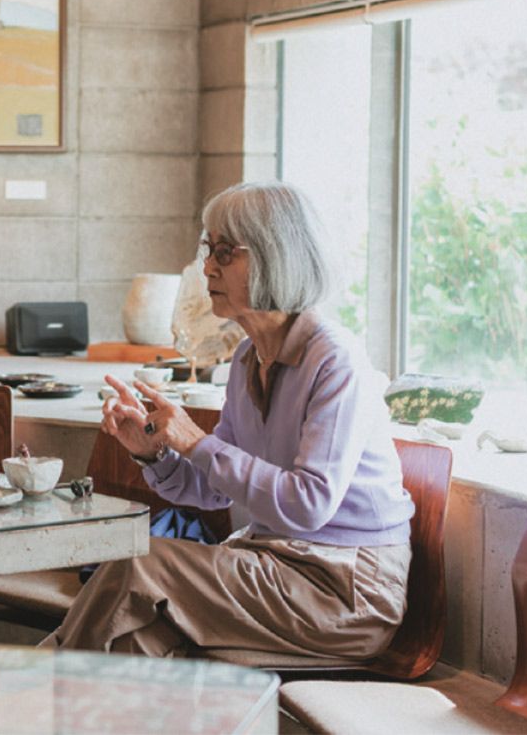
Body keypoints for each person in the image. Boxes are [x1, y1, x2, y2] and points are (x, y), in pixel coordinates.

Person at [44, 181, 415, 659]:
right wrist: (152, 450)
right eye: (208, 249)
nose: (207, 267)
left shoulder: (335, 360)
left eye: (224, 252)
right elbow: (210, 488)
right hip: (273, 562)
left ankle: (31, 687)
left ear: (273, 257)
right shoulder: (246, 359)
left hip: (345, 588)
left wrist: (194, 440)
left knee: (138, 564)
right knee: (134, 637)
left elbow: (310, 504)